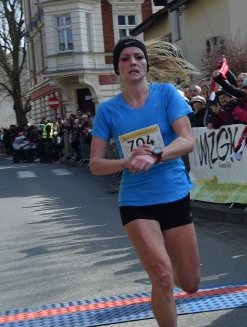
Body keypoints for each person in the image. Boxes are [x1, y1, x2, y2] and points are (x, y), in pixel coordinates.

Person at [89, 38, 200, 326]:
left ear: (147, 64)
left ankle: (167, 265)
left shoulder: (166, 95)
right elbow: (95, 165)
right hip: (136, 202)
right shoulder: (107, 111)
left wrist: (157, 155)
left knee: (190, 283)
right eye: (125, 59)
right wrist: (126, 162)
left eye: (138, 57)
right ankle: (161, 274)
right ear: (118, 68)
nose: (133, 62)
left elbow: (187, 140)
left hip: (175, 194)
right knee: (162, 277)